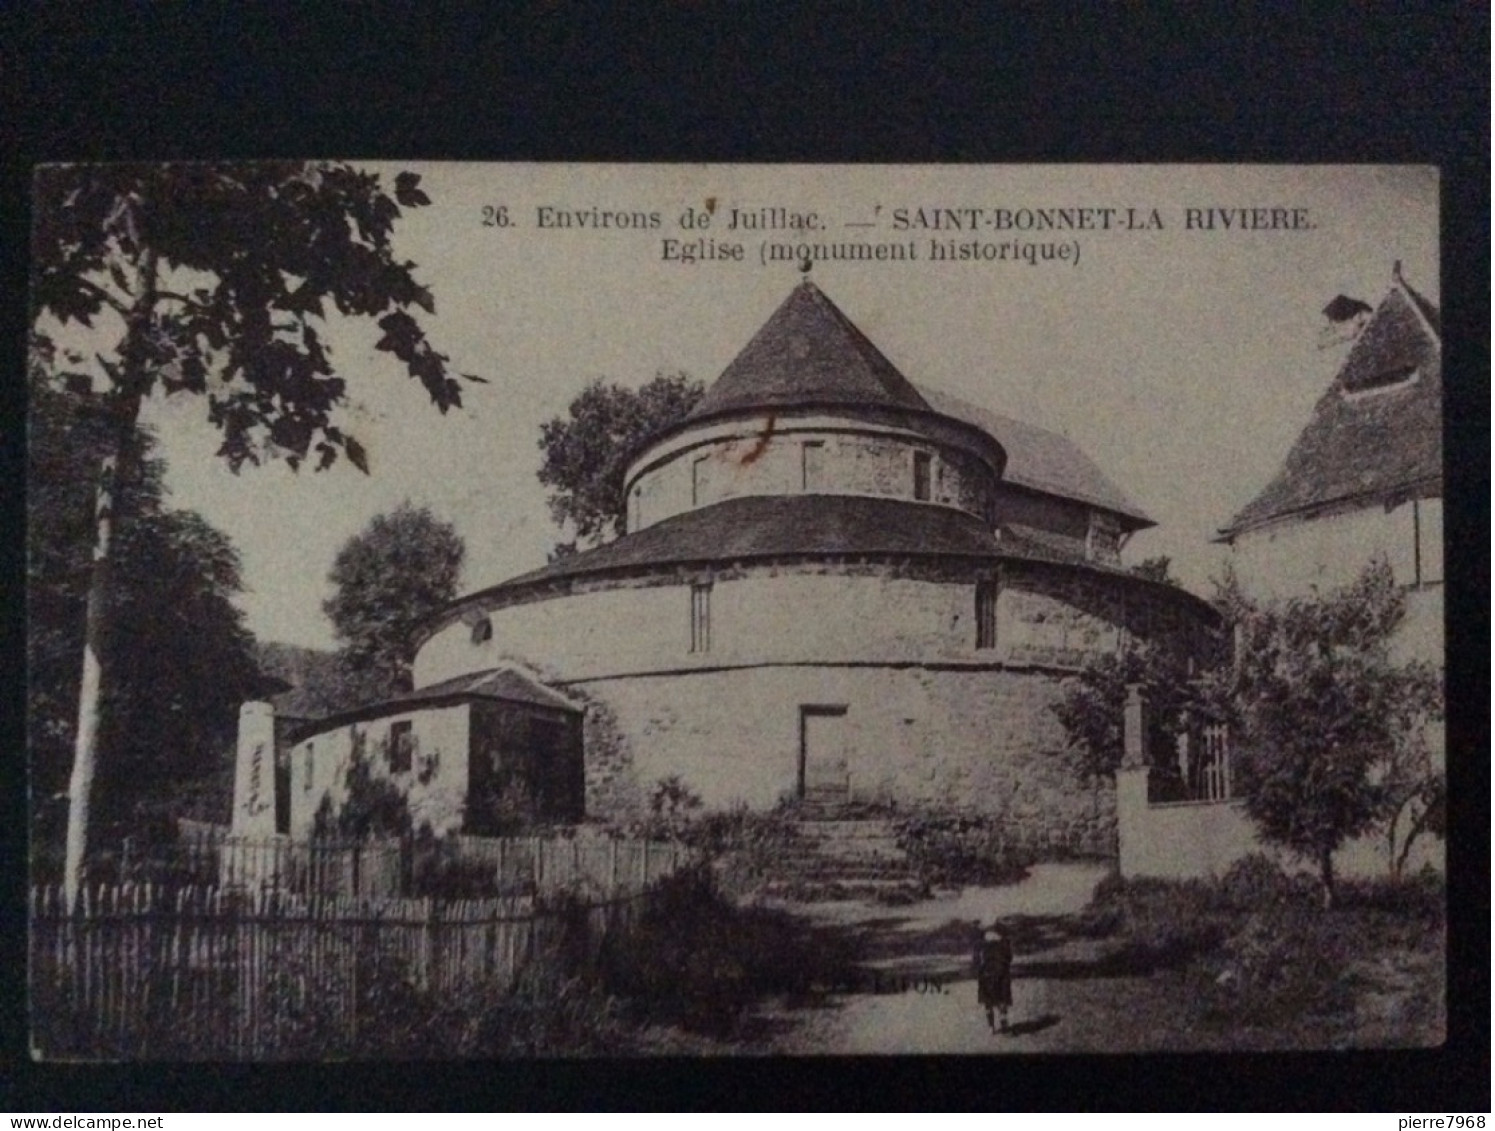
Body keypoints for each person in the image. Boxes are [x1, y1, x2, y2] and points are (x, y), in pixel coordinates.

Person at [973, 920, 1014, 1034]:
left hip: (986, 975)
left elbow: (975, 961)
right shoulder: (1004, 941)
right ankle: (1003, 1020)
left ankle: (991, 1026)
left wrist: (979, 969)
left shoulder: (979, 944)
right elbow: (1009, 958)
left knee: (988, 1002)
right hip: (1001, 973)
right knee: (1002, 999)